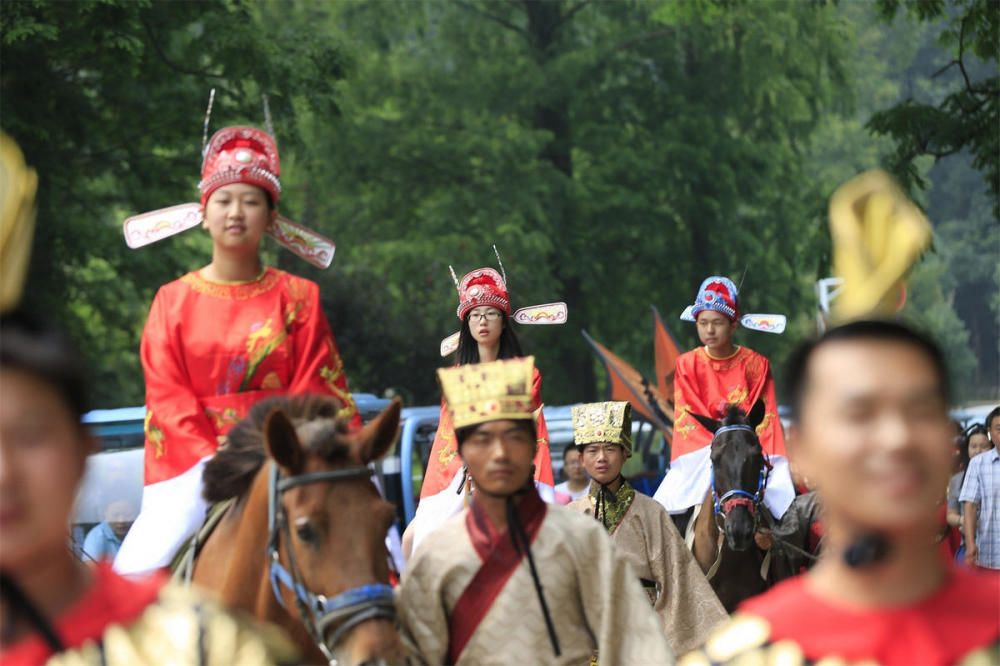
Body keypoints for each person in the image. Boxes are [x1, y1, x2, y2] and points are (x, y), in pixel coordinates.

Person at [114, 124, 360, 575]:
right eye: (224, 201)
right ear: (203, 214)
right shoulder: (172, 300)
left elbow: (315, 385)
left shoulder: (300, 296)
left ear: (270, 217)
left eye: (251, 201)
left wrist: (279, 445)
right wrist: (217, 455)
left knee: (372, 545)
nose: (236, 212)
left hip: (288, 452)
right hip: (195, 465)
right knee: (135, 575)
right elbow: (166, 394)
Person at [682, 320, 1000, 665]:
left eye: (919, 411)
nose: (895, 439)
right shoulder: (739, 657)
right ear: (803, 449)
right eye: (859, 415)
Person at [0, 308, 296, 665]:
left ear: (82, 452)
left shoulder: (209, 646)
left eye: (31, 437)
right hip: (191, 458)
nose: (5, 475)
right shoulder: (171, 305)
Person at [397, 357, 673, 665]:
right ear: (462, 454)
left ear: (532, 447)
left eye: (513, 438)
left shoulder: (582, 539)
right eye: (483, 440)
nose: (499, 454)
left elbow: (639, 645)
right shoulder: (436, 552)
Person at [404, 263, 565, 557]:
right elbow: (447, 435)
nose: (483, 321)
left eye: (491, 314)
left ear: (504, 322)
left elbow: (527, 427)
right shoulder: (456, 376)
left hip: (512, 469)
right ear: (466, 324)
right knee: (411, 539)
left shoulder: (526, 374)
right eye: (476, 315)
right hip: (462, 473)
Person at [567, 401, 727, 654]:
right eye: (592, 450)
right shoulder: (568, 516)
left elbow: (680, 580)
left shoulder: (651, 512)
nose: (601, 458)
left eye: (609, 449)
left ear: (625, 452)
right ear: (580, 458)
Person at [654, 276, 795, 525]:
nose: (709, 330)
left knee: (785, 502)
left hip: (749, 445)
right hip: (705, 447)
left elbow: (764, 414)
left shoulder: (756, 364)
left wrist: (743, 442)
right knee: (664, 507)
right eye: (703, 323)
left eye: (717, 323)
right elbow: (689, 414)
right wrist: (723, 442)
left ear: (733, 325)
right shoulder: (686, 364)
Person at [960, 418, 999, 570]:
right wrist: (970, 544)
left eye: (981, 446)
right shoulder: (978, 464)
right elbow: (970, 505)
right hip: (990, 553)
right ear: (990, 431)